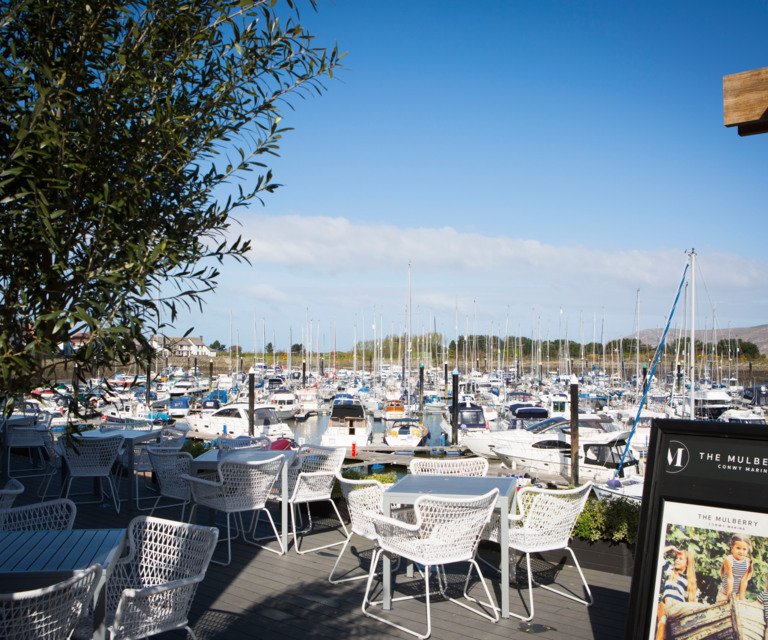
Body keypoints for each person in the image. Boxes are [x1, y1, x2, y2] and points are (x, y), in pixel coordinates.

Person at [655, 546, 705, 640]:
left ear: (687, 564)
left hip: (678, 607)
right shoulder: (670, 571)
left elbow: (692, 598)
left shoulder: (688, 580)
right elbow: (657, 554)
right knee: (662, 622)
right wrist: (671, 548)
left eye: (680, 559)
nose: (677, 560)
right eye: (676, 558)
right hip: (669, 606)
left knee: (698, 606)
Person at [717, 534, 753, 603]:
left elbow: (744, 581)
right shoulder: (728, 560)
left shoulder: (748, 562)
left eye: (744, 549)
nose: (741, 551)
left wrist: (741, 599)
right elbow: (730, 578)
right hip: (724, 595)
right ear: (732, 548)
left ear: (748, 550)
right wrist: (729, 598)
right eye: (738, 548)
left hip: (737, 595)